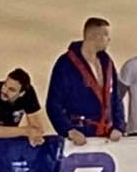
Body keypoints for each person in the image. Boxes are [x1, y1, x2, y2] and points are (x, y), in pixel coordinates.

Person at [46, 17, 125, 145]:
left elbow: (116, 97)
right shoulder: (66, 64)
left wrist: (119, 126)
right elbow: (54, 103)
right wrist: (69, 130)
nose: (109, 39)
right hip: (79, 136)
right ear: (94, 36)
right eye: (106, 35)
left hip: (107, 136)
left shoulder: (107, 63)